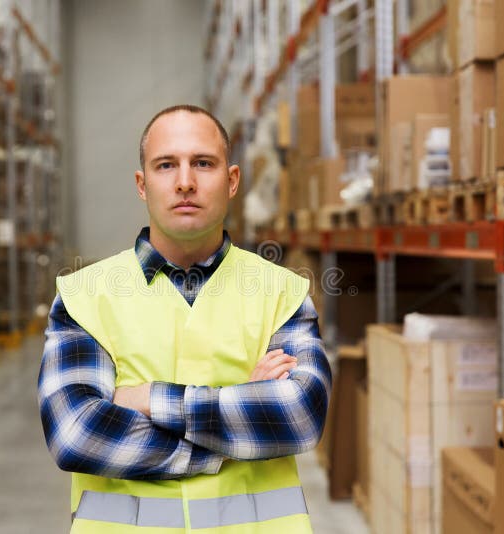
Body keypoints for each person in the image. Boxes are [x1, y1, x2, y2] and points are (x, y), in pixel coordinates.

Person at [38, 104, 331, 533]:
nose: (185, 182)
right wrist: (237, 413)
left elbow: (299, 416)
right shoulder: (85, 296)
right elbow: (80, 434)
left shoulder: (280, 291)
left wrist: (149, 398)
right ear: (142, 185)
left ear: (232, 181)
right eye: (166, 165)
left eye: (203, 163)